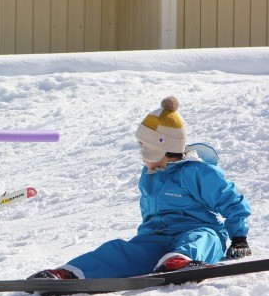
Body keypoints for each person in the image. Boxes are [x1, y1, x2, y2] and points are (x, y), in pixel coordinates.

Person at [29, 96, 252, 280]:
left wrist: (239, 238)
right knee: (120, 249)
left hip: (197, 230)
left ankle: (181, 260)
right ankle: (71, 273)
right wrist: (142, 245)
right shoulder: (149, 176)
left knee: (203, 237)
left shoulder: (197, 172)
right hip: (156, 238)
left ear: (159, 148)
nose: (141, 152)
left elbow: (231, 201)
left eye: (143, 145)